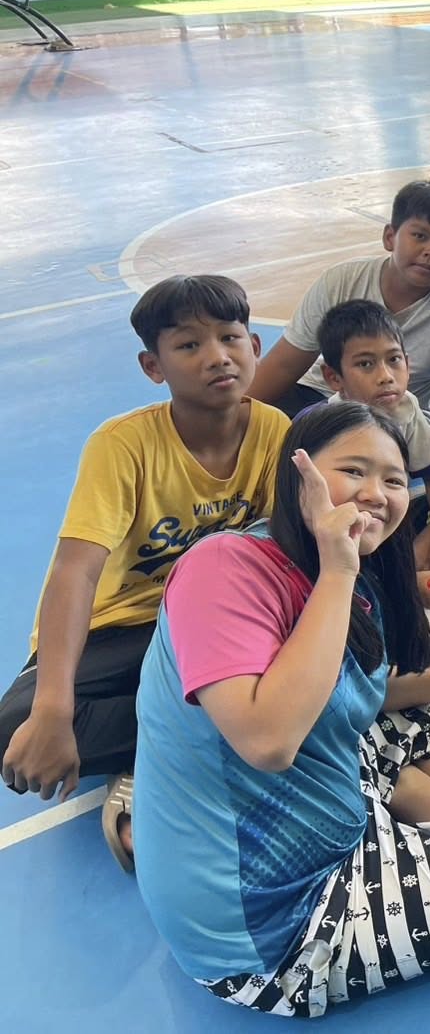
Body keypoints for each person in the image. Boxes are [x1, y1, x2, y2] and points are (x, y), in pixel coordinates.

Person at [131, 402, 430, 1016]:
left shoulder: (333, 569)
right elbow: (268, 742)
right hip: (275, 928)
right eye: (353, 471)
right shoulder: (225, 564)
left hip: (318, 816)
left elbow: (365, 690)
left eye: (395, 480)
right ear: (299, 475)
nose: (376, 494)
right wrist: (338, 570)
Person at [0, 276, 290, 871]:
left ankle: (146, 764)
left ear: (255, 347)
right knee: (14, 726)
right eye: (188, 345)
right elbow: (75, 574)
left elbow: (287, 552)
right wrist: (52, 708)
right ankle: (206, 734)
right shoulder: (122, 446)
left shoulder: (275, 432)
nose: (217, 356)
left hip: (213, 620)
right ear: (153, 367)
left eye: (230, 338)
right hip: (124, 626)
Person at [249, 180, 430, 425]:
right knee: (265, 430)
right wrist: (233, 417)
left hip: (397, 415)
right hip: (320, 395)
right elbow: (285, 365)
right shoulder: (341, 281)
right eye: (420, 236)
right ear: (390, 237)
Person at [316, 300, 430, 573]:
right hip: (353, 528)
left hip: (393, 516)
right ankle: (415, 571)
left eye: (394, 360)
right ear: (334, 377)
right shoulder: (325, 426)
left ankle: (420, 564)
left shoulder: (405, 406)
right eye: (365, 364)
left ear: (407, 362)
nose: (385, 376)